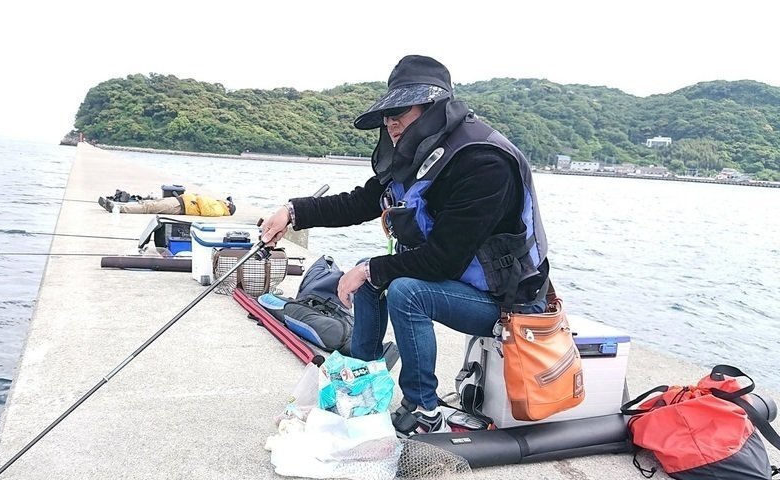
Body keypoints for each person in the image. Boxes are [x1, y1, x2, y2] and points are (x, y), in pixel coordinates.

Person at [260, 55, 550, 436]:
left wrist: (369, 270)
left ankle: (424, 409)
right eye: (387, 113)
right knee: (373, 275)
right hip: (460, 283)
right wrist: (291, 211)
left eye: (400, 111)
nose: (390, 122)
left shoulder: (484, 162)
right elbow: (358, 202)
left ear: (434, 108)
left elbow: (443, 260)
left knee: (404, 290)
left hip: (508, 302)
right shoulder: (413, 156)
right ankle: (360, 386)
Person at [98, 192, 236, 216]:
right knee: (150, 202)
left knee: (150, 208)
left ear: (228, 207)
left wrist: (198, 198)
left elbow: (207, 212)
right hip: (179, 201)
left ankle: (118, 208)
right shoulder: (217, 203)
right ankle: (117, 205)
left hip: (180, 207)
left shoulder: (220, 209)